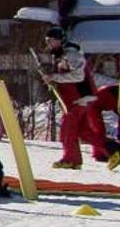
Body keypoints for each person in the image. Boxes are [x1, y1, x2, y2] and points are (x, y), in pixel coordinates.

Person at [36, 25, 110, 169]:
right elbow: (64, 76)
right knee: (83, 131)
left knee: (67, 129)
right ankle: (113, 149)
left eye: (51, 40)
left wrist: (54, 77)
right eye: (47, 40)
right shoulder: (61, 55)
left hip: (79, 98)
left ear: (60, 40)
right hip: (74, 99)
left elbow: (78, 76)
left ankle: (71, 159)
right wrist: (53, 79)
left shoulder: (71, 54)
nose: (49, 44)